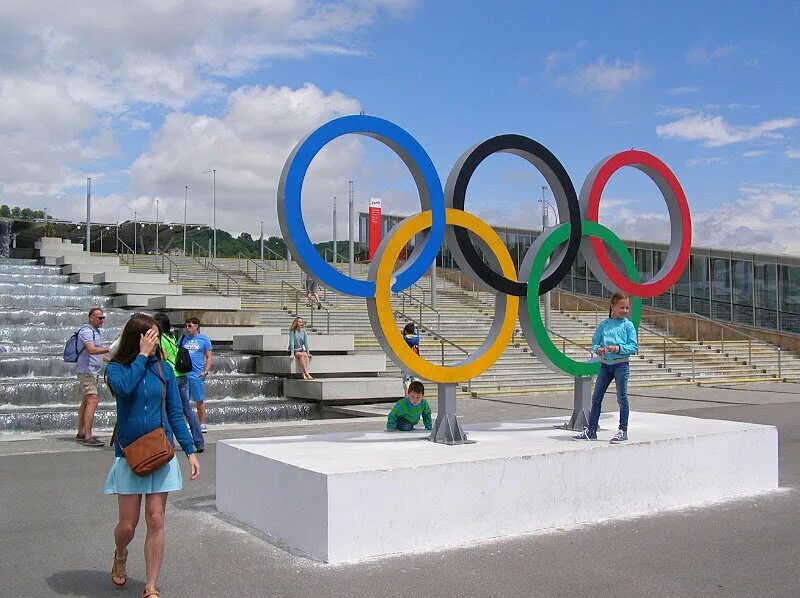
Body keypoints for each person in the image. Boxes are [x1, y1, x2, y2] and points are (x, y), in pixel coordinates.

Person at [104, 313, 200, 596]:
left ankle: (150, 587)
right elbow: (124, 389)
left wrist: (190, 450)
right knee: (128, 524)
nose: (156, 342)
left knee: (156, 519)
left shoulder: (164, 370)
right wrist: (142, 357)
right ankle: (120, 553)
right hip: (130, 454)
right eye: (151, 337)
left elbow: (174, 412)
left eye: (156, 337)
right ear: (138, 338)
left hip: (160, 451)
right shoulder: (117, 368)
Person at [574, 291, 638, 443]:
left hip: (621, 365)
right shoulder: (604, 325)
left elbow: (633, 346)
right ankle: (591, 430)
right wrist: (599, 350)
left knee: (622, 397)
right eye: (621, 307)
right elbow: (595, 342)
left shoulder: (628, 326)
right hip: (605, 365)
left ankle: (623, 430)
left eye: (627, 308)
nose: (625, 311)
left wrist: (618, 349)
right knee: (596, 398)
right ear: (612, 306)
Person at [154, 313, 204, 453]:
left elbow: (163, 357)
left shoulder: (161, 338)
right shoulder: (171, 336)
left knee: (168, 410)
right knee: (187, 409)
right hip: (182, 375)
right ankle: (199, 441)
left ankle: (169, 443)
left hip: (171, 376)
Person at [75, 307, 110, 447]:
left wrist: (111, 360)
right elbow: (91, 350)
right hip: (86, 371)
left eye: (103, 318)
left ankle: (81, 432)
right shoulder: (86, 331)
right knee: (93, 400)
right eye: (99, 318)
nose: (102, 320)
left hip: (92, 371)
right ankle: (88, 436)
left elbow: (98, 354)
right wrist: (110, 348)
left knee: (86, 401)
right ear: (91, 318)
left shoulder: (95, 332)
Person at [179, 317, 213, 433]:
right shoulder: (183, 338)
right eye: (186, 326)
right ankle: (185, 423)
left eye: (189, 326)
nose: (187, 328)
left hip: (197, 374)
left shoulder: (204, 339)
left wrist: (206, 371)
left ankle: (202, 423)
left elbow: (209, 357)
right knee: (184, 401)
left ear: (196, 326)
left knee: (199, 400)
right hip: (184, 374)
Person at [400, 322, 420, 391]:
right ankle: (417, 396)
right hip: (415, 360)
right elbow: (413, 334)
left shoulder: (404, 338)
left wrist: (403, 334)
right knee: (416, 379)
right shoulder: (417, 338)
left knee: (406, 380)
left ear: (405, 331)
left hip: (406, 361)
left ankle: (408, 397)